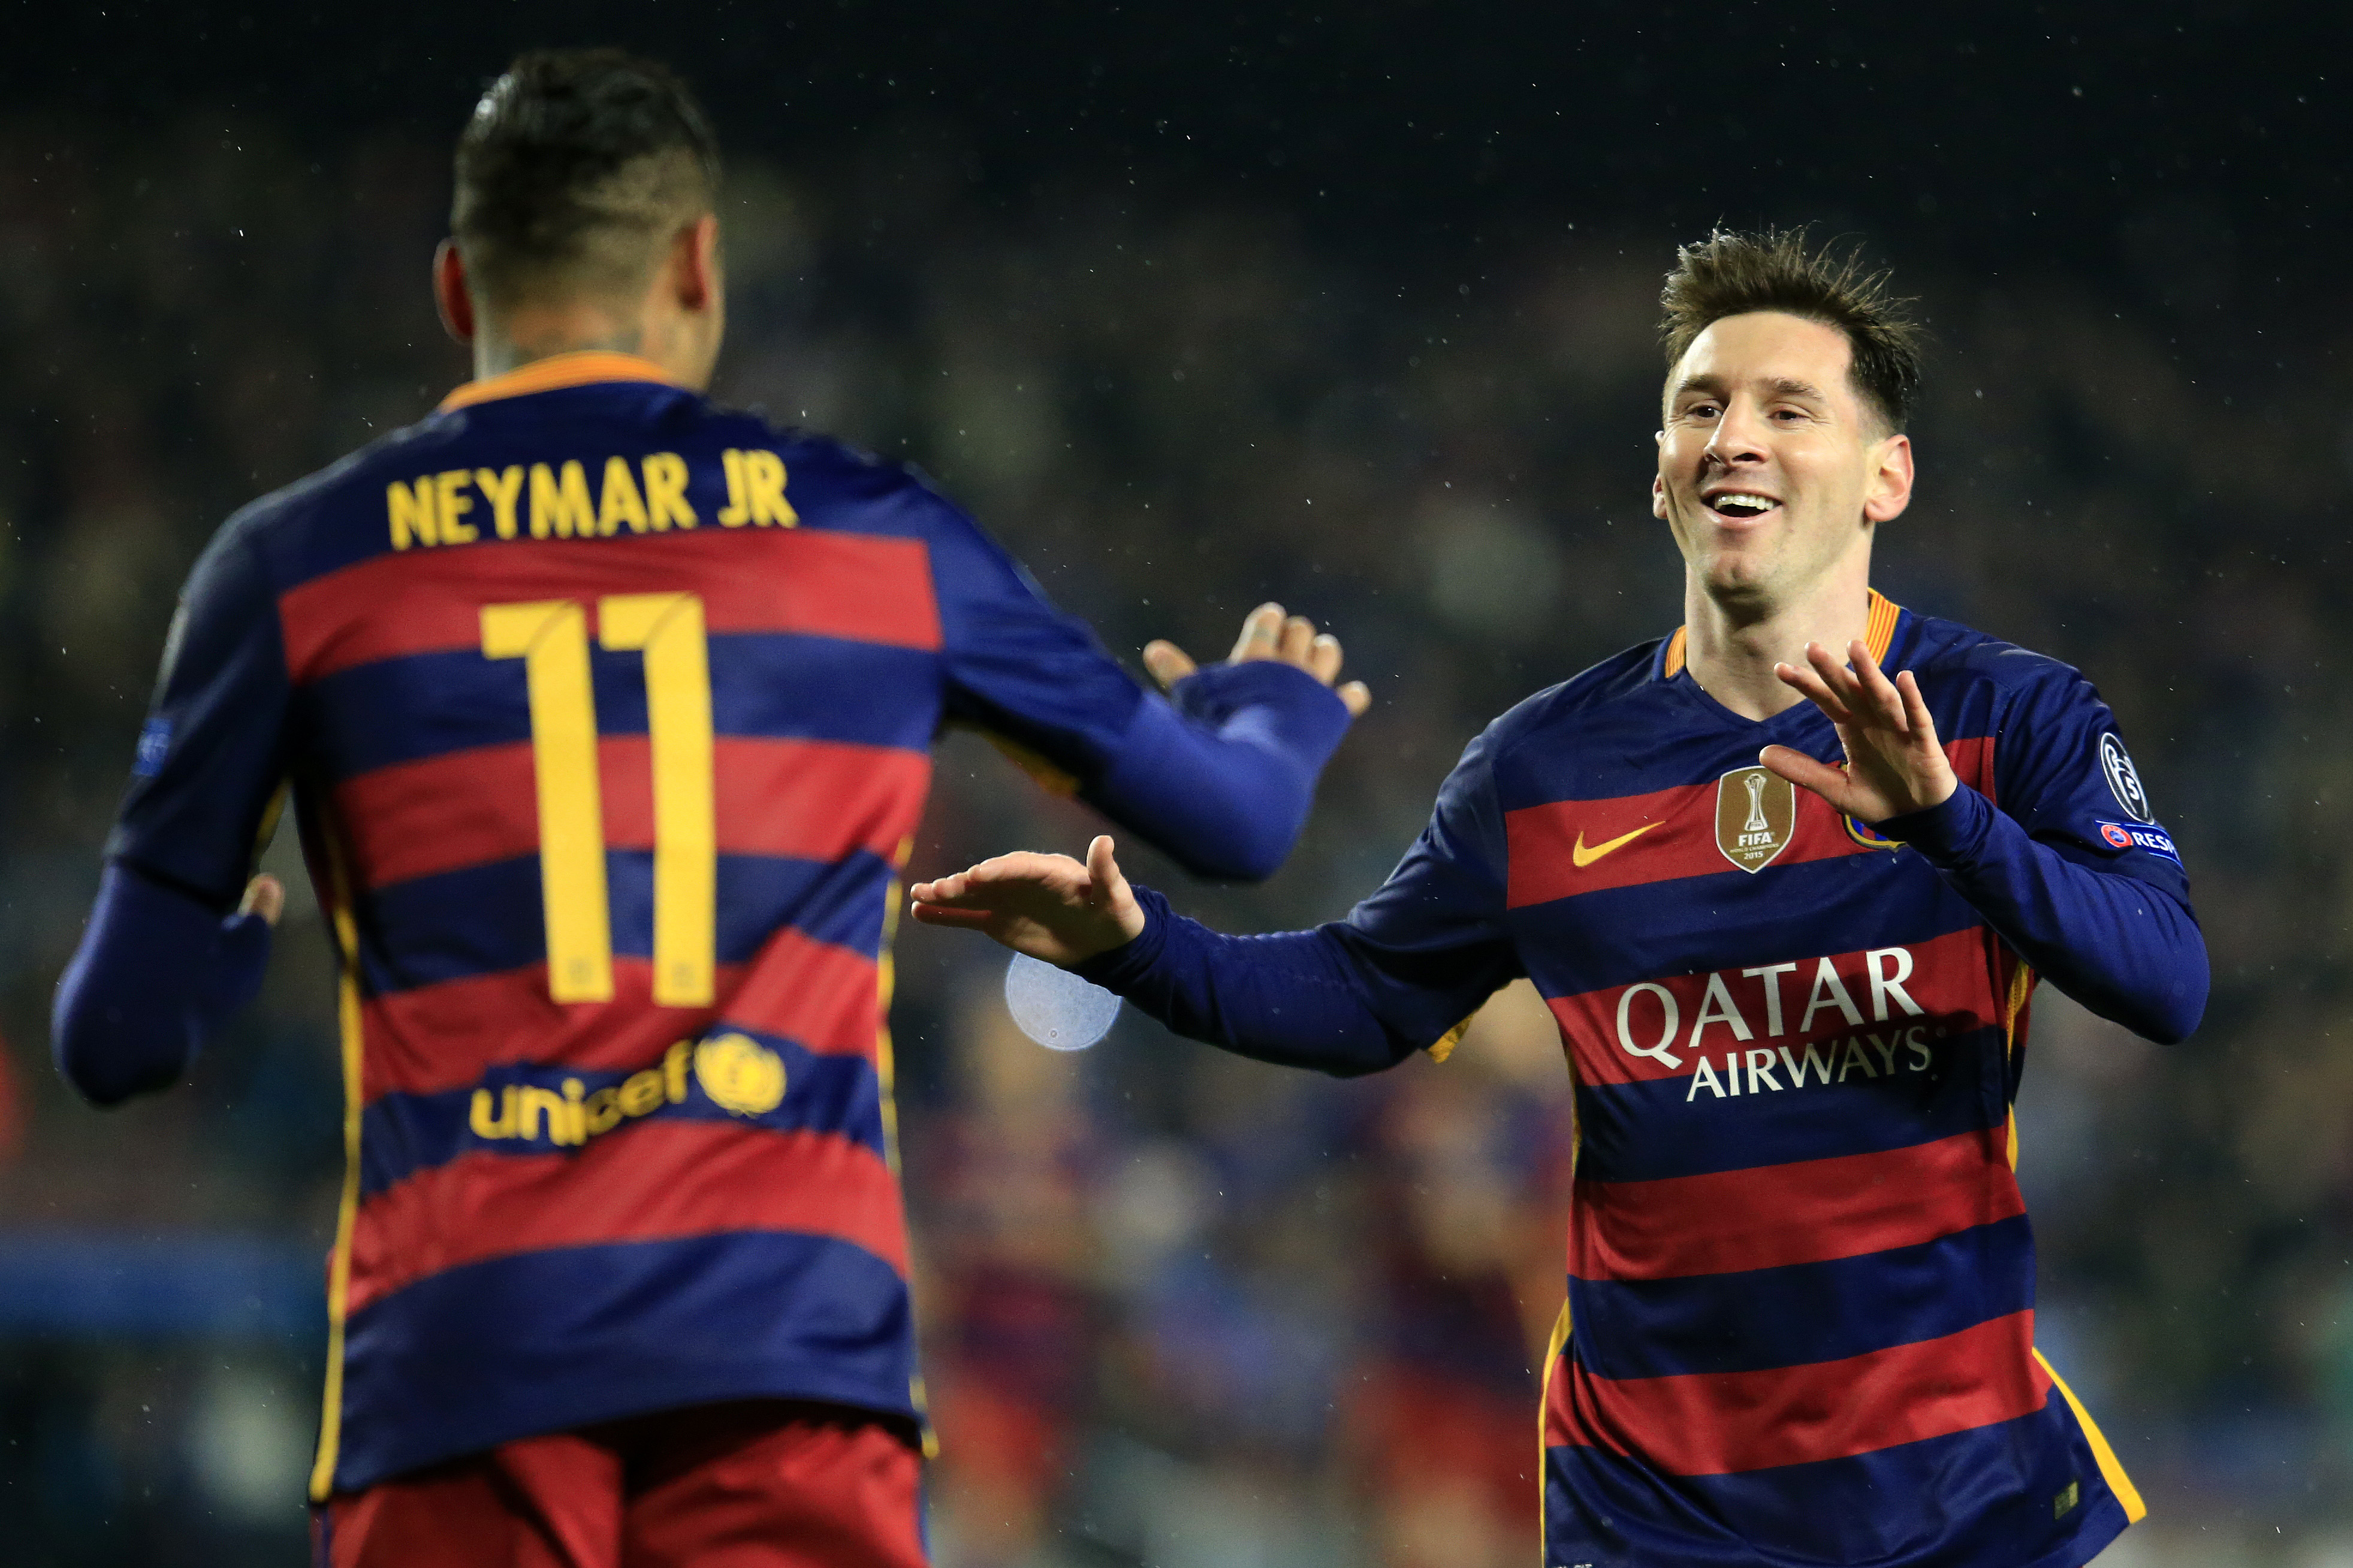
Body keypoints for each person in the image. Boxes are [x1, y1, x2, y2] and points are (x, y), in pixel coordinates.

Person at [50, 47, 1369, 1568]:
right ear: (696, 265)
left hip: (460, 1363)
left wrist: (211, 959)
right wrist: (1271, 707)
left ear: (456, 295)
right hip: (786, 1365)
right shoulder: (874, 539)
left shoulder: (297, 566)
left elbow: (115, 1039)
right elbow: (1233, 824)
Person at [910, 228, 2210, 1567]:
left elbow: (2167, 980)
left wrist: (1947, 820)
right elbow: (1363, 999)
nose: (1733, 435)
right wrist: (1136, 946)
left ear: (1887, 475)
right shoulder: (1542, 768)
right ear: (1660, 473)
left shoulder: (2009, 714)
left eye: (1786, 406)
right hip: (1659, 1504)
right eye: (1699, 406)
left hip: (1959, 1489)